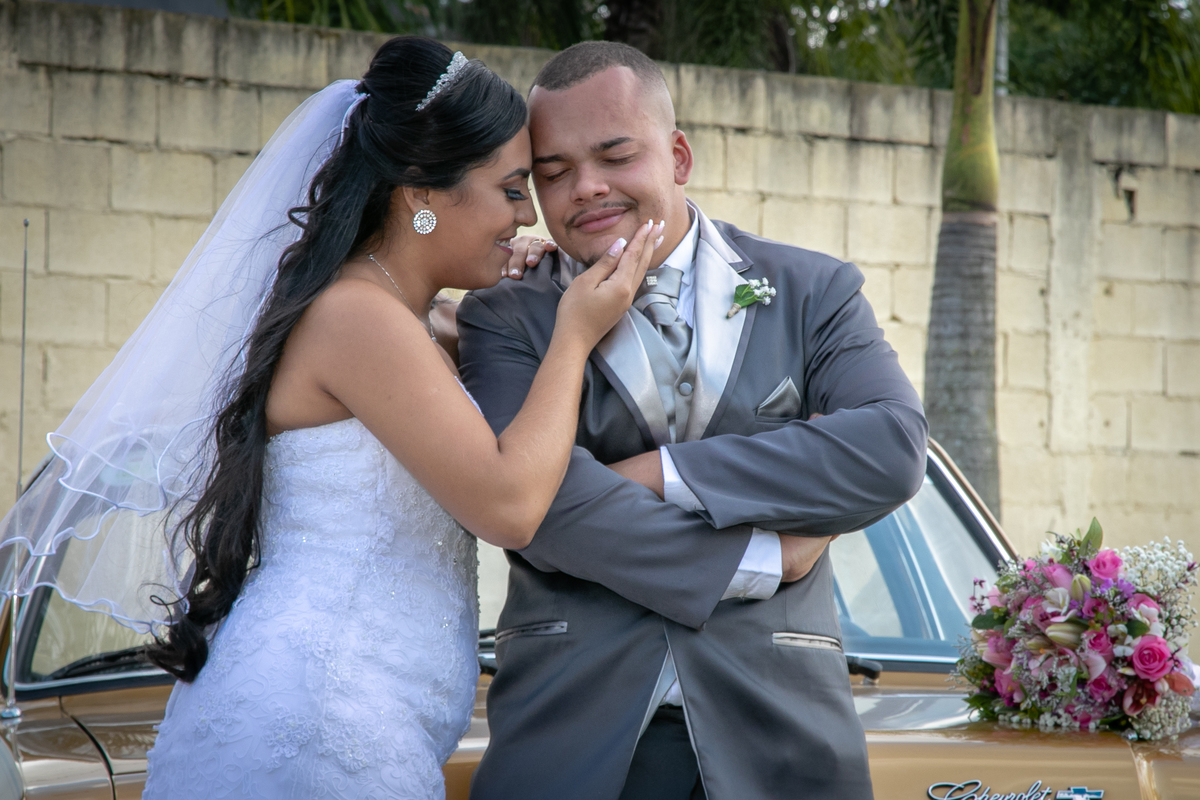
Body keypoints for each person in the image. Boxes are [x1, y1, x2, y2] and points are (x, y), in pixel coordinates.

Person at [457, 42, 929, 800]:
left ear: (677, 156)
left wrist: (659, 474)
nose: (587, 187)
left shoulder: (813, 291)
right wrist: (766, 556)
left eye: (616, 156)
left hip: (782, 736)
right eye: (554, 172)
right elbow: (532, 507)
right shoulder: (507, 314)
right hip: (573, 733)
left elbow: (892, 448)